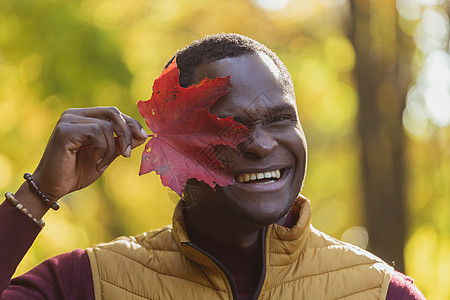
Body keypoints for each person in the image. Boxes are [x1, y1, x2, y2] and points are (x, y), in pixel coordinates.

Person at [0, 33, 425, 299]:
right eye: (228, 127)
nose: (261, 144)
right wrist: (38, 194)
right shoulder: (87, 283)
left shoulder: (380, 291)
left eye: (280, 119)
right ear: (176, 151)